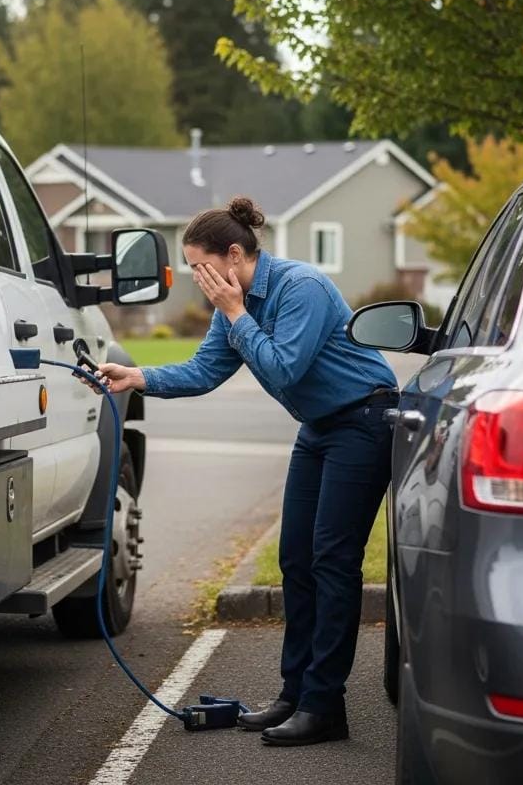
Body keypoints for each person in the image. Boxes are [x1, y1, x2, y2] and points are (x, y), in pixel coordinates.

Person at [98, 196, 397, 747]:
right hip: (319, 426)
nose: (196, 279)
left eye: (199, 265)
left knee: (333, 559)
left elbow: (284, 366)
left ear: (233, 256)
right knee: (295, 558)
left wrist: (237, 315)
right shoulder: (230, 306)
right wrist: (135, 376)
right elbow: (205, 370)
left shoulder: (299, 288)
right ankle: (294, 694)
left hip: (364, 420)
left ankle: (325, 705)